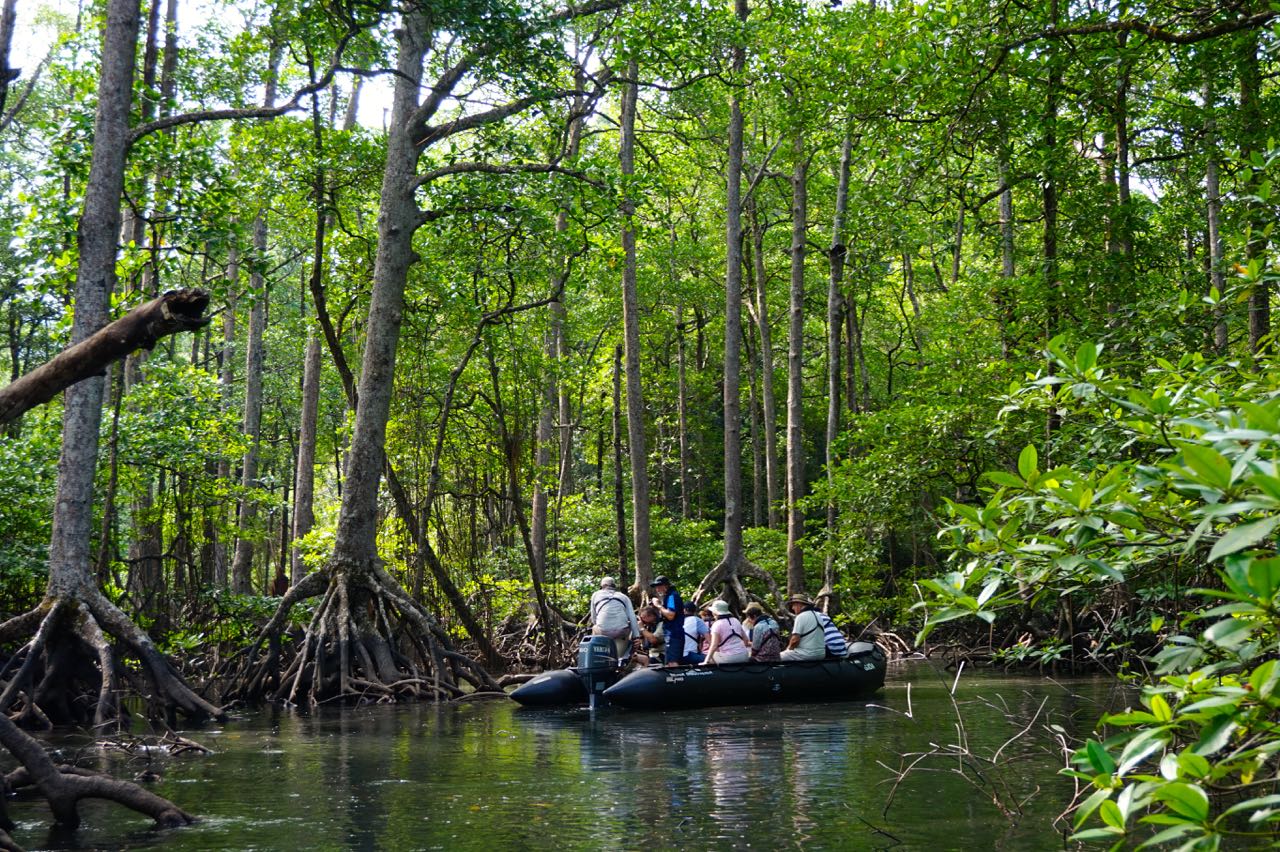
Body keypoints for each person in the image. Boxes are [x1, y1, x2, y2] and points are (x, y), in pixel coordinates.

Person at [781, 593, 847, 661]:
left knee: (778, 657)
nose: (792, 608)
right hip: (822, 653)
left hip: (813, 654)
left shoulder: (801, 616)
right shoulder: (820, 616)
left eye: (793, 605)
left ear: (799, 604)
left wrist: (787, 650)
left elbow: (795, 640)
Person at [589, 576, 639, 661]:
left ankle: (595, 654)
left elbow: (594, 618)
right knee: (629, 624)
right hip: (621, 632)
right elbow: (632, 617)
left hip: (603, 632)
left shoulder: (596, 595)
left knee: (594, 627)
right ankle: (627, 653)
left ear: (602, 586)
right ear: (614, 586)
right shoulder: (623, 597)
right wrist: (636, 637)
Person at [649, 576, 684, 666]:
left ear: (666, 586)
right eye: (656, 587)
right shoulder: (668, 597)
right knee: (669, 662)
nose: (657, 589)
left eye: (659, 586)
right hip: (671, 635)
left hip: (674, 634)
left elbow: (671, 615)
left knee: (672, 663)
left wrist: (658, 605)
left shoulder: (672, 596)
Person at [702, 600, 750, 665]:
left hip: (729, 658)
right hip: (744, 656)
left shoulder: (717, 624)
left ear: (715, 612)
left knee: (711, 655)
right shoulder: (736, 621)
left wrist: (706, 661)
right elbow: (746, 640)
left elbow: (714, 646)